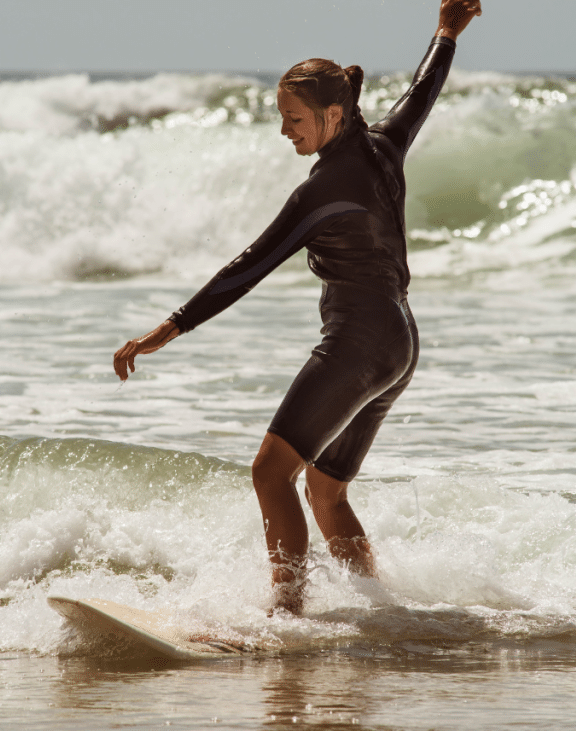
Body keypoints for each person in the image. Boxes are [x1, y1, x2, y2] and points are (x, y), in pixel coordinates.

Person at [113, 0, 483, 614]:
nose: (286, 131)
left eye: (294, 119)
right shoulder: (384, 146)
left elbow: (249, 267)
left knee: (270, 473)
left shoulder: (323, 188)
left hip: (360, 341)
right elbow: (424, 91)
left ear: (332, 114)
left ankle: (285, 618)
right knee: (327, 488)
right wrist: (445, 33)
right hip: (399, 345)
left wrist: (163, 332)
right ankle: (379, 610)